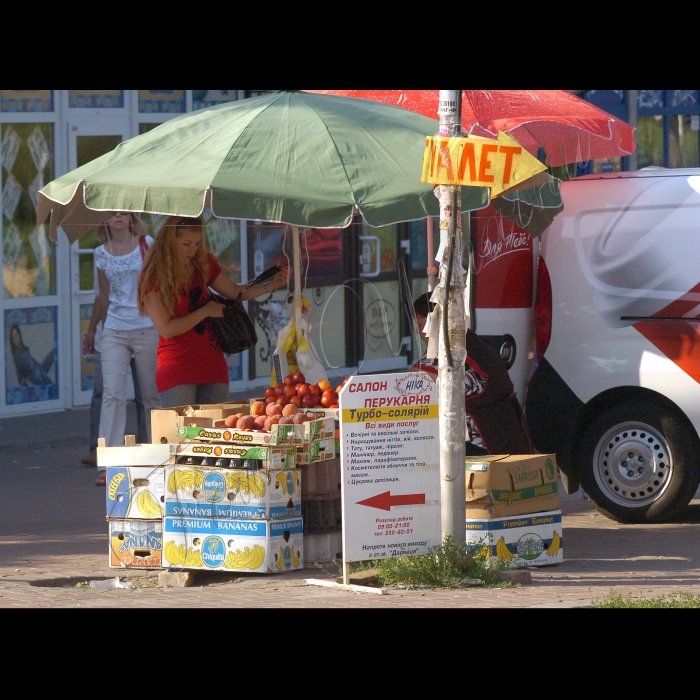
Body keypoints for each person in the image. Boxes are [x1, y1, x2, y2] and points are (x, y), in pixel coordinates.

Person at [138, 216, 289, 408]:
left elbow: (235, 292)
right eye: (186, 244)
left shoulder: (201, 262)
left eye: (197, 244)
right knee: (181, 435)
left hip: (212, 361)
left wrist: (271, 285)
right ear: (169, 241)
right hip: (177, 365)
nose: (192, 250)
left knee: (215, 431)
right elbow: (166, 329)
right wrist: (205, 312)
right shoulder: (152, 277)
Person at [84, 212, 160, 486]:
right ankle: (109, 465)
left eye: (123, 212)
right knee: (112, 396)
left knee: (150, 396)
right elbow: (103, 295)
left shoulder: (146, 243)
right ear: (104, 220)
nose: (118, 216)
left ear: (131, 218)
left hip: (146, 327)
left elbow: (159, 283)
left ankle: (157, 457)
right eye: (111, 213)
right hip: (114, 330)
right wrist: (93, 329)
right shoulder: (100, 253)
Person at [411, 292, 533, 456]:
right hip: (509, 437)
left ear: (438, 322)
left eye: (420, 324)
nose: (418, 332)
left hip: (482, 449)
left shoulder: (458, 353)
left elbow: (419, 380)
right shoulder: (474, 344)